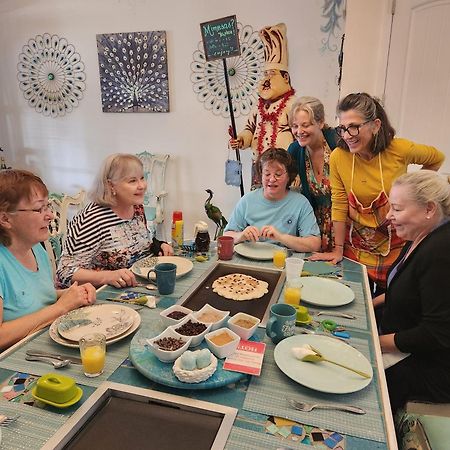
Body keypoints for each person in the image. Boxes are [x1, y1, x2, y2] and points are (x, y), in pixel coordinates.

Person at [310, 92, 444, 292]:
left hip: (394, 245)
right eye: (343, 129)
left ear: (376, 125)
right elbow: (339, 203)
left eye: (354, 127)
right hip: (354, 245)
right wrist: (337, 250)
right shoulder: (339, 157)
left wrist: (415, 193)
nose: (347, 136)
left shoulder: (399, 149)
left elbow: (437, 158)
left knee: (388, 304)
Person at [377, 170, 450, 413]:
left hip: (424, 370)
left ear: (429, 209)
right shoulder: (419, 233)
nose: (389, 216)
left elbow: (435, 333)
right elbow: (407, 290)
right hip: (399, 345)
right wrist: (369, 303)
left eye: (397, 209)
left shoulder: (441, 253)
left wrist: (375, 344)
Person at [0, 170, 96, 349]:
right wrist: (61, 307)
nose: (50, 215)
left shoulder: (36, 248)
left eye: (48, 206)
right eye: (39, 209)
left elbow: (38, 299)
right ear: (5, 218)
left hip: (45, 345)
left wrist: (72, 294)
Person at [57, 154, 173, 288]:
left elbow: (136, 243)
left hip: (140, 284)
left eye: (142, 178)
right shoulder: (91, 219)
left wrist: (158, 245)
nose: (142, 186)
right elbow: (64, 273)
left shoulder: (136, 206)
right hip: (101, 296)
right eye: (132, 181)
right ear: (110, 185)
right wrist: (107, 276)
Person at [223, 148, 321, 252]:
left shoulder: (301, 203)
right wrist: (241, 236)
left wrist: (281, 237)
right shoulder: (247, 201)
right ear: (261, 174)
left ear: (289, 177)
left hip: (284, 261)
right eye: (267, 174)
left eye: (278, 174)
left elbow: (314, 244)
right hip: (249, 259)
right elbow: (227, 235)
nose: (272, 179)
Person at [288, 96, 337, 251]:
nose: (299, 131)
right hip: (315, 226)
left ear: (320, 122)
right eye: (295, 126)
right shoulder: (295, 150)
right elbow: (284, 183)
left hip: (343, 223)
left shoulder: (338, 142)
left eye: (305, 125)